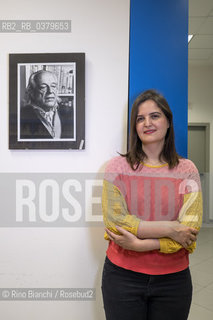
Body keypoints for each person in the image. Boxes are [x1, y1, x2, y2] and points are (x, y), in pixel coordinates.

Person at [101, 89, 203, 320]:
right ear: (135, 127)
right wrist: (170, 229)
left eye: (155, 116)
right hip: (122, 278)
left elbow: (190, 231)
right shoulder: (117, 168)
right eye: (140, 118)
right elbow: (115, 221)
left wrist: (140, 245)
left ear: (168, 122)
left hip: (173, 281)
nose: (147, 122)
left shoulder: (187, 170)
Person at [20, 70, 73, 139]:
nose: (50, 91)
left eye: (53, 86)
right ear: (31, 91)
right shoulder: (21, 116)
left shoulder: (70, 112)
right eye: (43, 87)